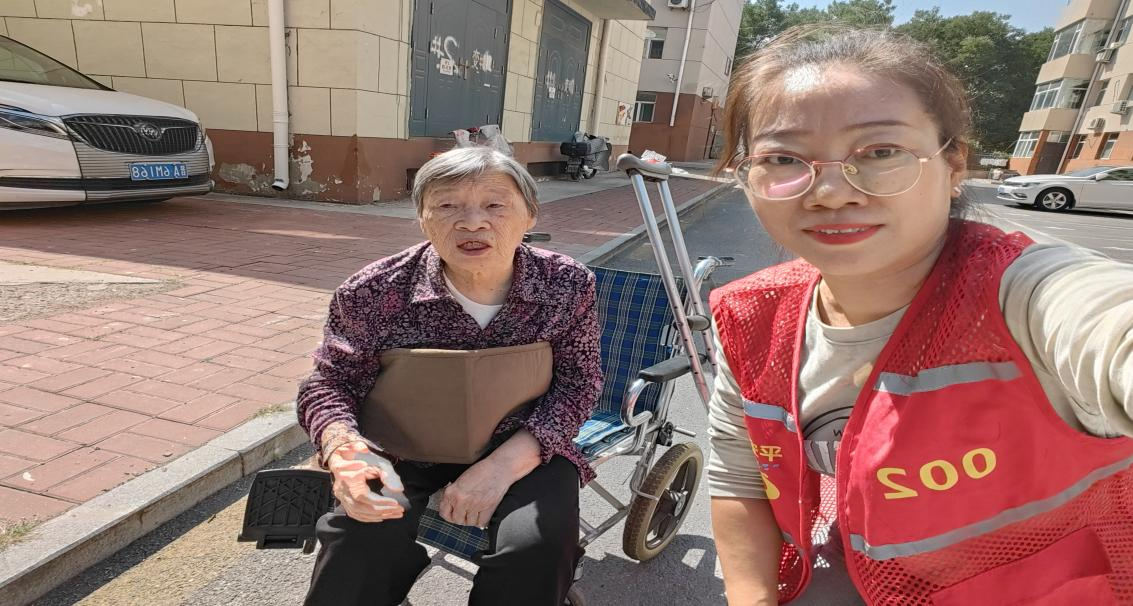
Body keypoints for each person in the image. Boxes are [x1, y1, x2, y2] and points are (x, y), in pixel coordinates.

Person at [706, 25, 1133, 605]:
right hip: (862, 578)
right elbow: (740, 477)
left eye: (880, 152)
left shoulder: (1021, 294)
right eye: (783, 158)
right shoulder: (751, 316)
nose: (830, 192)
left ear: (954, 165)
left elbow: (1106, 323)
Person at [296, 147, 603, 605]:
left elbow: (579, 383)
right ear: (422, 218)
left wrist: (502, 467)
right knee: (358, 541)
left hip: (522, 443)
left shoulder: (566, 284)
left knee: (536, 548)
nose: (472, 223)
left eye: (495, 205)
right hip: (402, 445)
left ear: (530, 215)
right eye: (446, 206)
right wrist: (344, 451)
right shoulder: (373, 291)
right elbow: (330, 383)